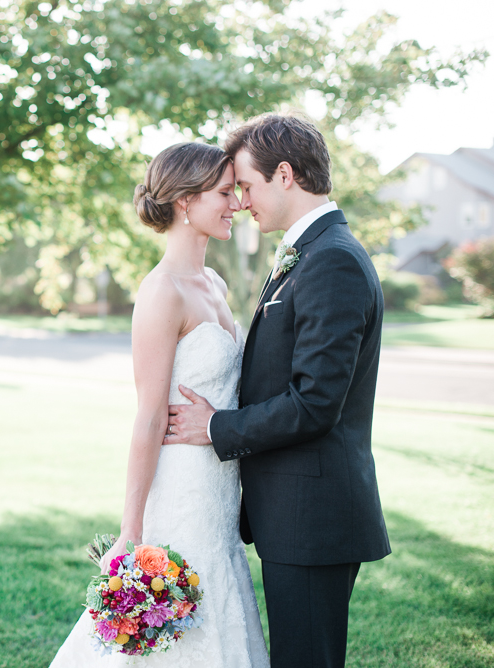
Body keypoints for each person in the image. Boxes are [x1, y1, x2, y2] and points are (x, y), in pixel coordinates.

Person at [164, 113, 391, 668]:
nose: (240, 201)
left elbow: (314, 402)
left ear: (284, 174)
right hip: (296, 512)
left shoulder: (331, 259)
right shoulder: (310, 253)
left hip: (313, 514)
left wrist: (216, 427)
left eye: (246, 184)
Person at [50, 141, 270, 668]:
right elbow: (149, 415)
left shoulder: (213, 283)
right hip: (180, 488)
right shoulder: (161, 291)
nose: (237, 204)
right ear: (185, 202)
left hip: (220, 486)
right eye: (224, 193)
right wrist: (131, 529)